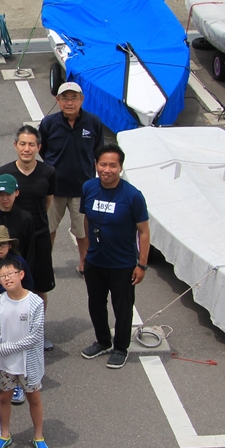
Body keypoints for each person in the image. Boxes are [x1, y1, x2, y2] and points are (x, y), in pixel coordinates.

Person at [79, 144, 150, 370]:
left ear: (120, 168)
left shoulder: (133, 196)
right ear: (96, 164)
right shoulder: (89, 187)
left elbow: (144, 232)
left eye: (112, 165)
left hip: (122, 265)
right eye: (103, 164)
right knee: (96, 304)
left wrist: (142, 265)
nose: (106, 170)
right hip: (95, 262)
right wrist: (86, 252)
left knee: (123, 309)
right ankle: (102, 341)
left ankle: (120, 348)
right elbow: (87, 219)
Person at [0, 125, 57, 347]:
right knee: (9, 285)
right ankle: (10, 332)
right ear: (15, 145)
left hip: (39, 237)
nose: (27, 148)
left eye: (31, 144)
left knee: (39, 288)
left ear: (39, 147)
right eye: (22, 143)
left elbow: (47, 202)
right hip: (13, 241)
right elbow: (2, 203)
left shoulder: (48, 172)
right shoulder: (4, 172)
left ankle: (37, 332)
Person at [0, 254, 48, 448]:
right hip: (4, 364)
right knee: (4, 397)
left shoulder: (35, 302)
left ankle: (38, 437)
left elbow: (35, 337)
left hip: (29, 363)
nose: (7, 278)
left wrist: (6, 348)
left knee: (34, 398)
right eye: (2, 276)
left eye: (10, 273)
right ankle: (4, 434)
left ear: (21, 274)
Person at [40, 81, 106, 269]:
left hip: (83, 188)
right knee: (49, 228)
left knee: (83, 231)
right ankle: (45, 264)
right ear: (57, 100)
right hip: (54, 189)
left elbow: (99, 152)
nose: (69, 103)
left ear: (81, 99)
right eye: (65, 98)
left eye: (74, 98)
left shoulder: (93, 122)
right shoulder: (48, 123)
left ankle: (84, 262)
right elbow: (42, 149)